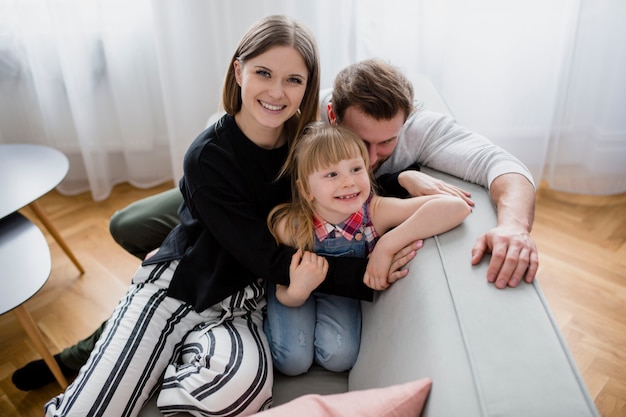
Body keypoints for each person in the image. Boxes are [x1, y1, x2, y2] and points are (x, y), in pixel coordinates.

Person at [14, 58, 538, 390]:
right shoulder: (298, 122)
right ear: (332, 116)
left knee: (200, 268)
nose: (378, 155)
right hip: (241, 204)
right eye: (365, 143)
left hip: (300, 229)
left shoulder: (418, 130)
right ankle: (141, 308)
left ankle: (79, 354)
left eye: (389, 144)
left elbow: (502, 168)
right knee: (131, 227)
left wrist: (506, 224)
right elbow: (227, 144)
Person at [43, 15, 395, 417]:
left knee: (240, 391)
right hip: (182, 287)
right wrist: (370, 275)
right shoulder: (206, 156)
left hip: (247, 306)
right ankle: (109, 361)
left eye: (293, 80)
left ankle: (160, 365)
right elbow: (267, 256)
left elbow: (354, 189)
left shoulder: (308, 144)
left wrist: (411, 184)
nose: (277, 92)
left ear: (308, 87)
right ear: (238, 70)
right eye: (264, 72)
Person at [263, 122, 470, 376]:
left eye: (355, 169)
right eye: (331, 175)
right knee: (292, 362)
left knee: (339, 357)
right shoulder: (291, 226)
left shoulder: (374, 212)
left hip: (341, 293)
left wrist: (387, 244)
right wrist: (297, 292)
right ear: (306, 190)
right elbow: (278, 284)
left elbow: (456, 207)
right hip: (295, 293)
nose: (349, 182)